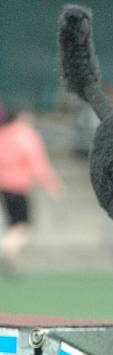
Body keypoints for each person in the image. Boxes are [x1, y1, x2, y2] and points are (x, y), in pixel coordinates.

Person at [0, 108, 63, 273]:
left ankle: (8, 249)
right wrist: (51, 185)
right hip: (19, 186)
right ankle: (7, 250)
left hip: (4, 185)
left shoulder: (4, 134)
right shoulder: (27, 136)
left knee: (14, 224)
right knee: (24, 226)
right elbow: (38, 163)